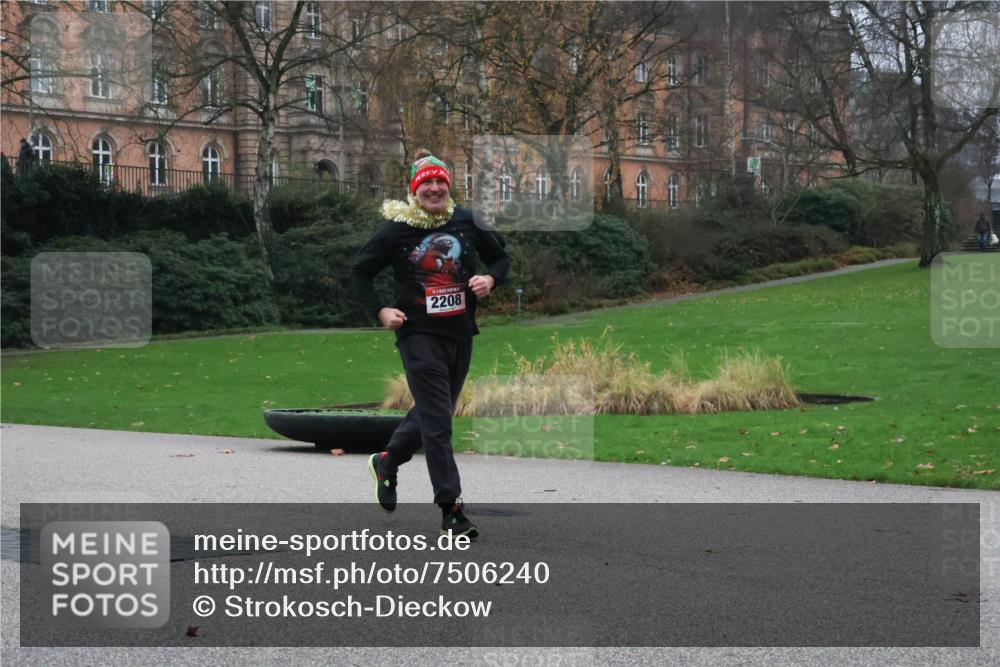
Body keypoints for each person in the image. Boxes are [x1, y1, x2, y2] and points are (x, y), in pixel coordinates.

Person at [349, 150, 511, 538]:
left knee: (432, 413)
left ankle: (388, 460)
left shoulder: (468, 221)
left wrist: (490, 281)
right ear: (414, 190)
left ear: (448, 186)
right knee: (439, 423)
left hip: (460, 333)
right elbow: (359, 272)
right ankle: (451, 509)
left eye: (440, 182)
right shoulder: (397, 229)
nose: (435, 188)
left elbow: (501, 259)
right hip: (418, 335)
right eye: (427, 183)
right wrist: (380, 311)